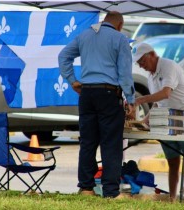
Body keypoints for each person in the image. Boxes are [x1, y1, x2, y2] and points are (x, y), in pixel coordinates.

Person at [58, 11, 136, 199]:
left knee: (88, 142)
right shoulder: (120, 39)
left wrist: (72, 80)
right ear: (120, 24)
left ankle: (86, 188)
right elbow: (125, 73)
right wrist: (131, 100)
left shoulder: (84, 35)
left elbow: (63, 57)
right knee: (110, 144)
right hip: (109, 94)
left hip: (87, 93)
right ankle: (110, 192)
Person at [131, 43, 184, 202]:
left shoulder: (169, 66)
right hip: (166, 119)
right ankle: (173, 198)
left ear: (152, 54)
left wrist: (140, 100)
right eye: (139, 64)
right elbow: (157, 102)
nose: (142, 66)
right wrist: (144, 121)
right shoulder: (151, 75)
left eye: (142, 62)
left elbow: (166, 93)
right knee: (172, 160)